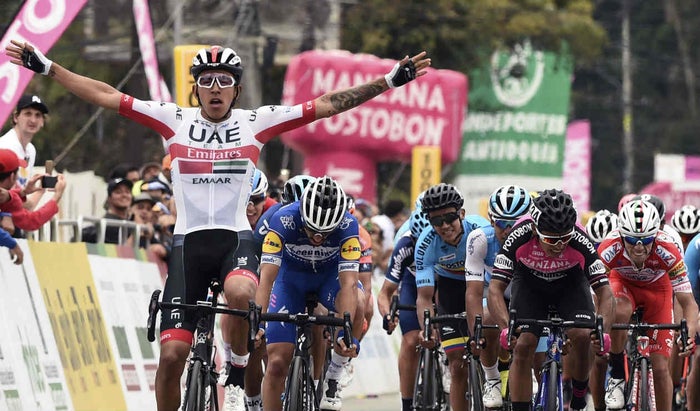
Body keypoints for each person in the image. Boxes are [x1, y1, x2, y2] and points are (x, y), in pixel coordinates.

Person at [6, 39, 430, 411]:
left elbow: (325, 104)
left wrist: (388, 81)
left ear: (236, 90)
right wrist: (49, 67)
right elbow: (107, 94)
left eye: (223, 81)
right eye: (205, 80)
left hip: (234, 242)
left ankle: (239, 370)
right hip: (187, 246)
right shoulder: (174, 120)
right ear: (196, 87)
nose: (214, 88)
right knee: (172, 357)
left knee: (242, 293)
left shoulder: (254, 123)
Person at [488, 188, 614, 411]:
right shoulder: (519, 235)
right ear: (534, 230)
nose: (559, 245)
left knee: (583, 335)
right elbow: (495, 289)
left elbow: (605, 292)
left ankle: (578, 394)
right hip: (530, 285)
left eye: (565, 238)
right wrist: (506, 328)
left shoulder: (579, 238)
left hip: (570, 285)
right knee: (523, 345)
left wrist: (603, 332)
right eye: (551, 239)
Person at [255, 176, 363, 411]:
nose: (317, 238)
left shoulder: (348, 225)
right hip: (290, 281)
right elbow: (267, 279)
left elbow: (349, 284)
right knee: (276, 363)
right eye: (312, 230)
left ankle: (334, 374)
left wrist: (344, 331)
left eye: (326, 233)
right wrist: (258, 322)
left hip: (328, 279)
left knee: (361, 301)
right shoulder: (282, 218)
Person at [597, 199, 698, 411]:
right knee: (619, 309)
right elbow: (595, 293)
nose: (639, 247)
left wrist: (688, 334)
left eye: (647, 239)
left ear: (656, 234)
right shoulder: (609, 246)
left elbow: (688, 302)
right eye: (632, 239)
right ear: (621, 235)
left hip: (658, 292)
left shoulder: (668, 248)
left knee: (660, 368)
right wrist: (598, 329)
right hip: (623, 285)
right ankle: (616, 374)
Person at [414, 183, 490, 411]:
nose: (445, 226)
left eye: (449, 218)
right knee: (457, 366)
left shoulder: (481, 230)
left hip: (483, 284)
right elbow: (424, 297)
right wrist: (427, 328)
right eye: (437, 221)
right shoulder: (425, 244)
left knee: (489, 346)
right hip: (451, 289)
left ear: (462, 214)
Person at [465, 185, 531, 409]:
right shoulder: (480, 239)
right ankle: (492, 378)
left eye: (516, 224)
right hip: (493, 291)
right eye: (502, 224)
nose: (509, 230)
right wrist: (475, 334)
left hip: (525, 293)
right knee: (486, 319)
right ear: (492, 220)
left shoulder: (534, 241)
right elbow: (473, 292)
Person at [377, 208, 431, 411]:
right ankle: (407, 404)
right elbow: (385, 293)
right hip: (412, 282)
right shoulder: (405, 245)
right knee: (410, 341)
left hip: (443, 282)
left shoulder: (447, 241)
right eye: (418, 241)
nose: (422, 246)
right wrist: (387, 315)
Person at [0, 148, 67, 232]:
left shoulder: (6, 197)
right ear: (12, 176)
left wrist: (23, 192)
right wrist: (57, 195)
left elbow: (5, 195)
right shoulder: (8, 201)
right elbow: (32, 221)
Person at [0, 94, 48, 206]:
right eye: (28, 114)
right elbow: (9, 201)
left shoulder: (31, 150)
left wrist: (42, 189)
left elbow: (20, 202)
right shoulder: (5, 147)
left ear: (42, 122)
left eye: (38, 115)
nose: (33, 120)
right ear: (16, 117)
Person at [81, 178, 134, 244]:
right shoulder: (104, 226)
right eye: (118, 192)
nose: (124, 195)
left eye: (127, 192)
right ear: (109, 198)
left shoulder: (133, 224)